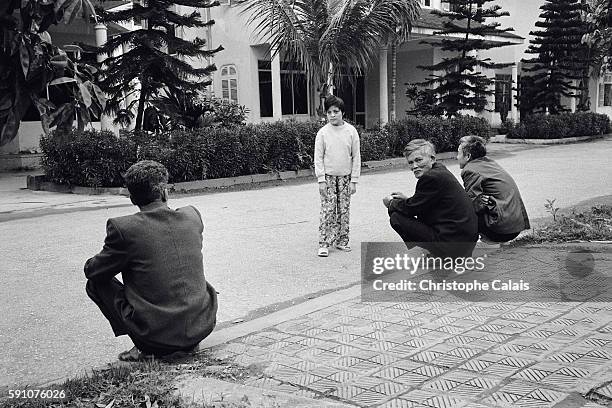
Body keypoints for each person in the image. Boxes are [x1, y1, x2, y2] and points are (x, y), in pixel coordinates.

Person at [84, 160, 218, 361]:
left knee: (96, 282)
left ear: (132, 199)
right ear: (165, 193)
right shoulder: (192, 215)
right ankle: (184, 340)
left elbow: (94, 272)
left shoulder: (125, 229)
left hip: (156, 338)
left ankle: (143, 347)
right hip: (202, 326)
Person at [384, 139, 478, 258]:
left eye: (418, 160)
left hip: (455, 244)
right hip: (464, 241)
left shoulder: (431, 177)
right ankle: (441, 252)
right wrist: (406, 200)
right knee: (412, 211)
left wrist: (391, 202)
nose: (414, 166)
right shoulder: (439, 170)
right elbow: (424, 202)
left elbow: (411, 209)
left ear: (432, 158)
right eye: (410, 162)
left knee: (396, 217)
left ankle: (442, 253)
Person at [457, 135, 530, 243]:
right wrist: (481, 200)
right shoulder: (489, 162)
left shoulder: (470, 169)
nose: (457, 157)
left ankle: (459, 251)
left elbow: (473, 205)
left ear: (468, 156)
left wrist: (478, 201)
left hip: (500, 230)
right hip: (515, 228)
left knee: (459, 212)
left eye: (458, 153)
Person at [314, 95, 361, 257]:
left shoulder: (351, 131)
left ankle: (342, 241)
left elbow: (356, 156)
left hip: (346, 179)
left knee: (344, 210)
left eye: (336, 111)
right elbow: (318, 158)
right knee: (328, 210)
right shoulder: (322, 133)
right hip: (328, 178)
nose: (332, 115)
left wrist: (354, 180)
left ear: (342, 112)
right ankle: (324, 242)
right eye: (329, 112)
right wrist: (321, 180)